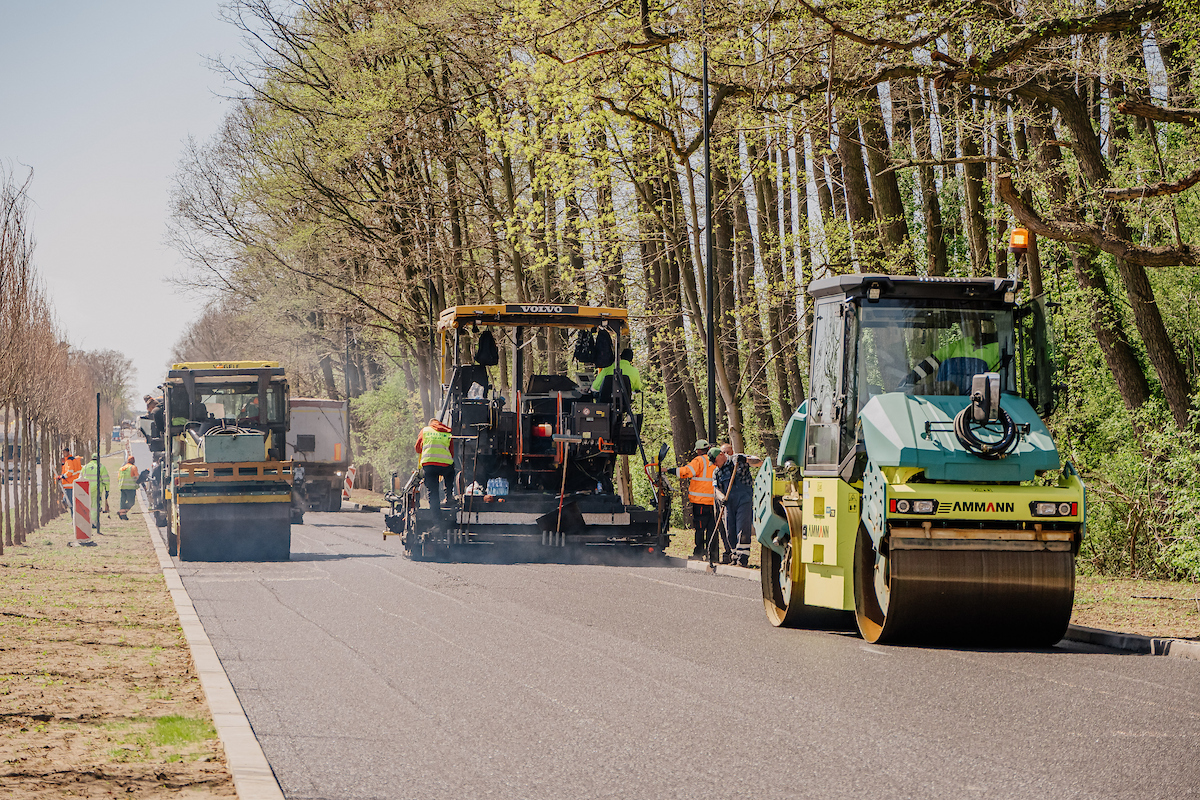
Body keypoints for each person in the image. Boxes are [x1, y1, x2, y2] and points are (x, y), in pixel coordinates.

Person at [901, 317, 1000, 393]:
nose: (975, 327)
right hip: (947, 397)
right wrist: (912, 377)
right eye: (973, 324)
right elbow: (932, 361)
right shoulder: (962, 343)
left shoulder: (999, 349)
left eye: (982, 324)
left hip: (981, 403)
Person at [712, 447, 763, 567]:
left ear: (721, 455)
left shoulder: (737, 459)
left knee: (742, 528)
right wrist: (722, 498)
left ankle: (743, 558)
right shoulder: (717, 472)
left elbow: (759, 462)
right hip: (729, 503)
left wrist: (746, 460)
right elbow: (716, 489)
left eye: (715, 460)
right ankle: (734, 556)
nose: (714, 464)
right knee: (730, 530)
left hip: (743, 500)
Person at [668, 438, 717, 559]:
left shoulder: (699, 460)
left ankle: (698, 553)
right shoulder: (716, 460)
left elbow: (685, 472)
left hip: (700, 502)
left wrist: (668, 470)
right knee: (712, 529)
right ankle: (713, 555)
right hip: (715, 502)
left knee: (700, 529)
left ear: (699, 450)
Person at [415, 417, 456, 521]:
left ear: (430, 425)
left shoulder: (425, 431)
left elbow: (417, 448)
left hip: (429, 466)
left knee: (433, 493)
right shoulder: (447, 432)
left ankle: (437, 522)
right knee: (451, 471)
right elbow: (451, 453)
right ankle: (449, 496)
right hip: (445, 465)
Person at [78, 455, 111, 525]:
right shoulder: (101, 467)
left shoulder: (85, 467)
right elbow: (106, 481)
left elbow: (80, 478)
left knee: (86, 505)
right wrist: (107, 490)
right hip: (97, 489)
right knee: (95, 506)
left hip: (86, 489)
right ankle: (93, 522)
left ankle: (85, 521)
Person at [116, 456, 139, 520]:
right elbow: (137, 477)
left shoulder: (121, 468)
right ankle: (122, 512)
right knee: (131, 502)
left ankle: (123, 515)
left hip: (122, 487)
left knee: (123, 501)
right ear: (133, 461)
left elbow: (118, 479)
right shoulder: (133, 467)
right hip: (130, 487)